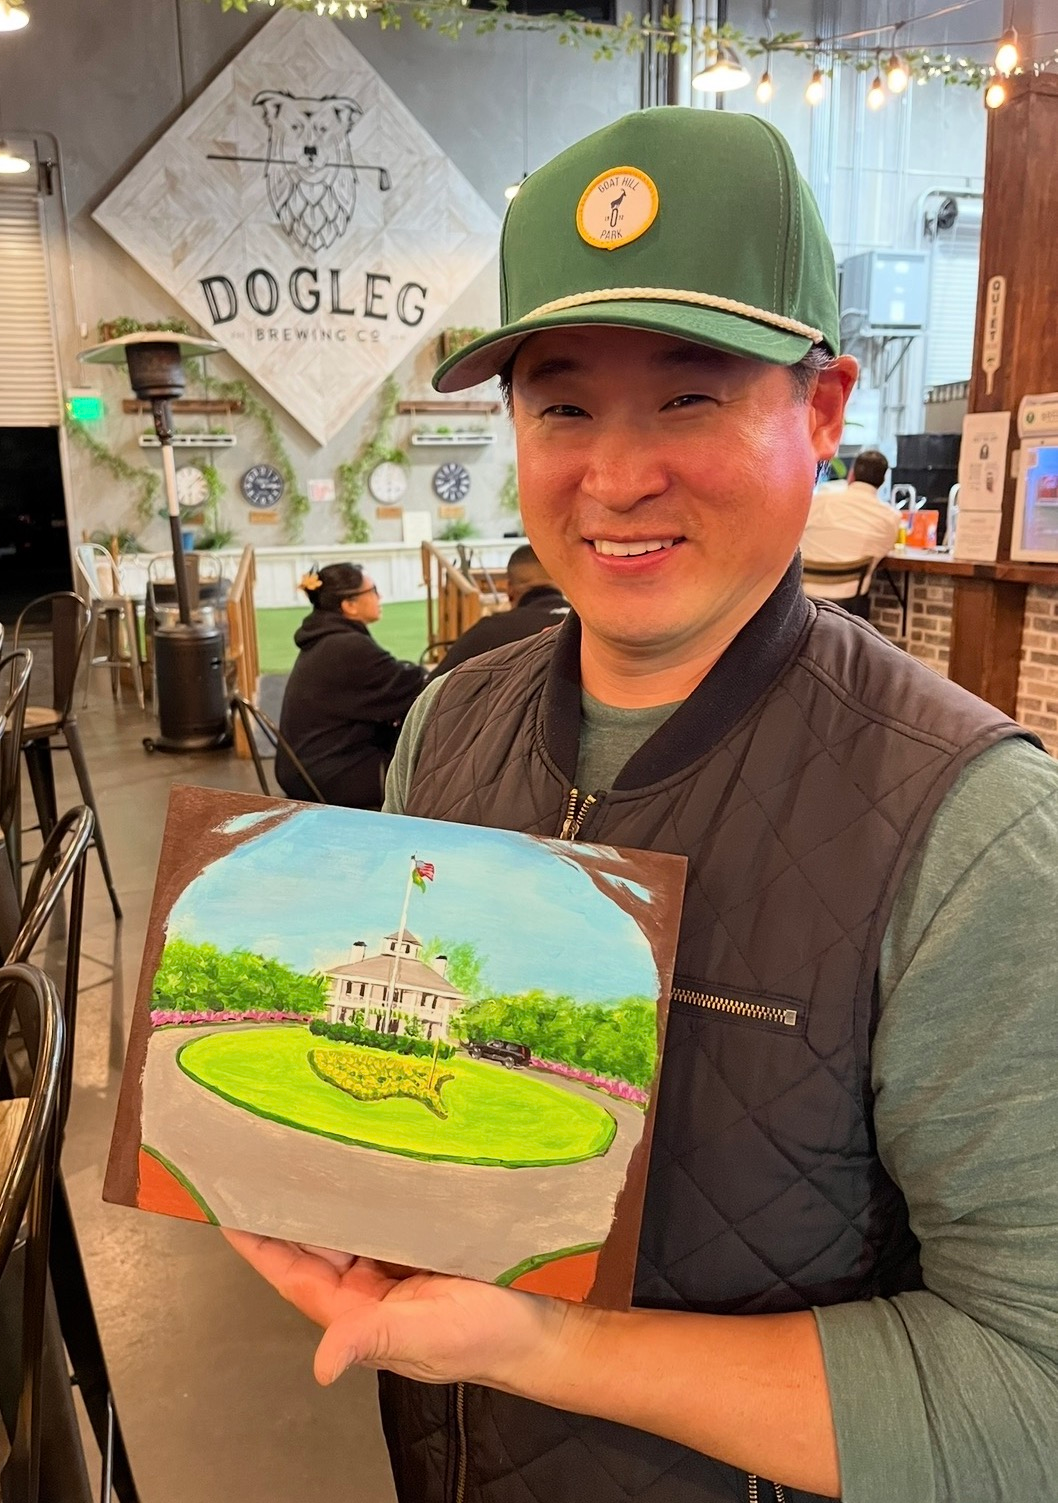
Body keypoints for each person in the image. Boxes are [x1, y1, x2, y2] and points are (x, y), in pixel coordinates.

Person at [230, 108, 1058, 1503]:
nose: (615, 479)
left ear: (823, 408)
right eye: (562, 406)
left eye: (689, 398)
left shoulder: (973, 830)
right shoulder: (448, 722)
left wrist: (552, 1348)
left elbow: (1033, 1395)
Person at [275, 562, 427, 808]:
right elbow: (410, 687)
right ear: (349, 605)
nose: (380, 596)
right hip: (329, 775)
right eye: (373, 590)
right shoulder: (347, 646)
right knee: (429, 765)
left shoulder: (327, 638)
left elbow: (392, 680)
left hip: (304, 769)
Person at [431, 543, 570, 676]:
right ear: (561, 581)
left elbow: (431, 688)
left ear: (509, 590)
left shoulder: (488, 632)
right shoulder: (580, 625)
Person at [800, 449, 900, 613]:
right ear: (883, 481)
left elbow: (796, 538)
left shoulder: (820, 500)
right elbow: (881, 551)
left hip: (804, 598)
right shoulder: (890, 517)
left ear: (852, 474)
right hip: (851, 606)